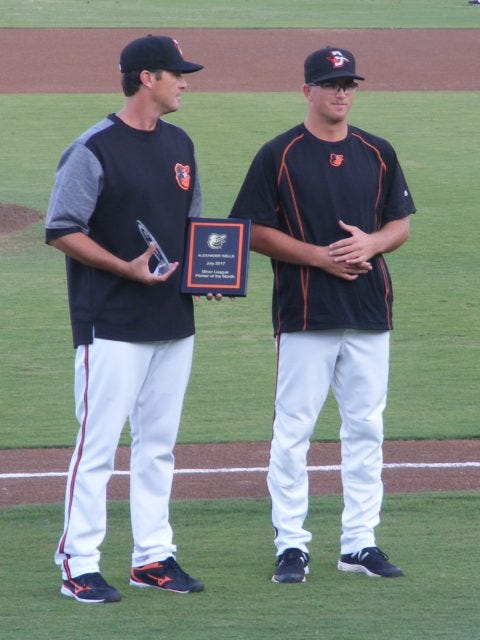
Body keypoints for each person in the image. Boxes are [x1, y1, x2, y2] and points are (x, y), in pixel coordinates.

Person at [229, 46, 415, 583]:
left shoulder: (377, 152)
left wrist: (372, 244)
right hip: (305, 313)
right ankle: (292, 544)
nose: (341, 93)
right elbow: (253, 229)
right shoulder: (279, 154)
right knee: (293, 432)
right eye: (331, 84)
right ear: (306, 90)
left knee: (366, 429)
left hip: (369, 312)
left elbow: (399, 224)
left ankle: (359, 543)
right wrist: (320, 256)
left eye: (349, 84)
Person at [45, 34, 207, 604]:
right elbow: (61, 228)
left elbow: (193, 226)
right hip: (110, 323)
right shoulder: (94, 148)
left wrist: (208, 276)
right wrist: (124, 268)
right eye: (176, 74)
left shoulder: (181, 143)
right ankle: (79, 563)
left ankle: (152, 558)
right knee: (97, 449)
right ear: (147, 78)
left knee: (158, 445)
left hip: (172, 321)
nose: (185, 82)